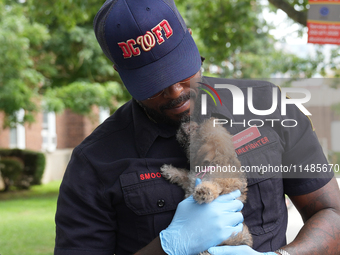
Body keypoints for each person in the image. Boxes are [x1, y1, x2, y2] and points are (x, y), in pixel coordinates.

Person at [54, 0, 340, 254]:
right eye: (154, 84)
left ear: (190, 40)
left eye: (180, 69)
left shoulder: (267, 105)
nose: (176, 91)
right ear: (120, 73)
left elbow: (331, 212)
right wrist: (167, 248)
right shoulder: (94, 162)